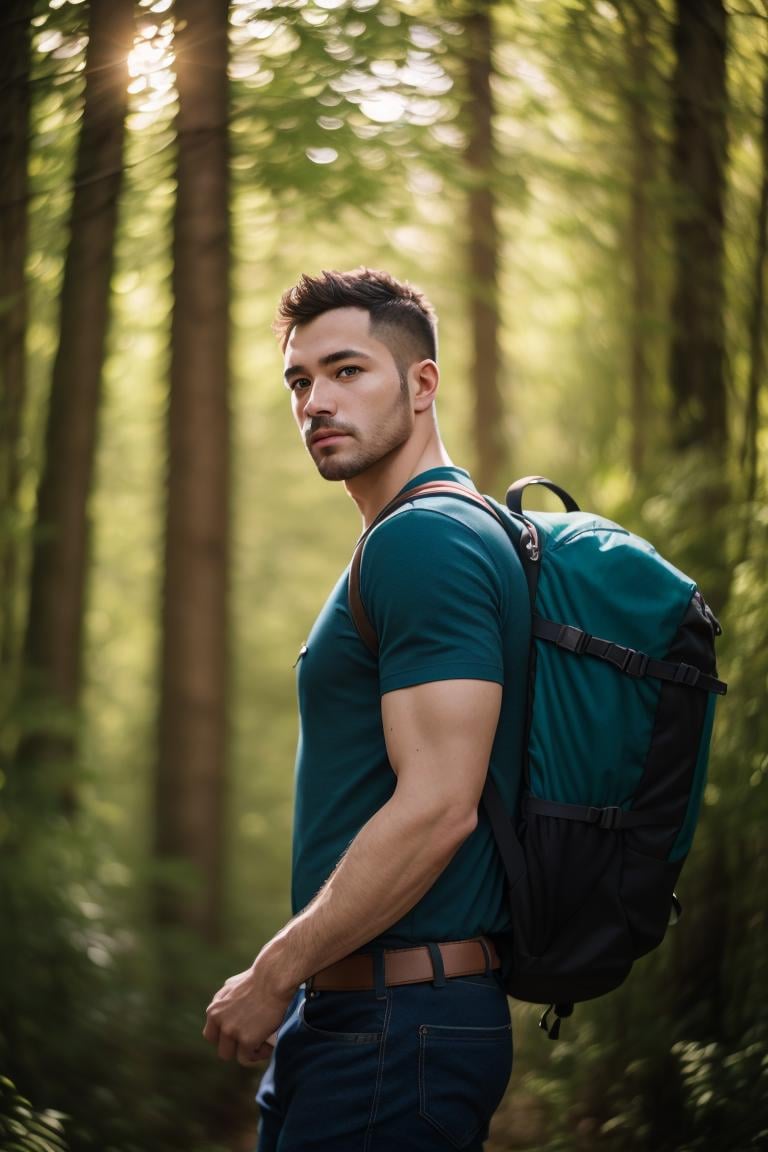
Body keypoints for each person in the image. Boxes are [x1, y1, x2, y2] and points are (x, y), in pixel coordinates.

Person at [203, 268, 531, 1151]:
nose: (315, 401)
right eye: (300, 381)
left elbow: (438, 807)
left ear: (422, 385)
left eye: (348, 371)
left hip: (398, 1027)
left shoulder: (426, 541)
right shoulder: (420, 535)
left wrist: (274, 972)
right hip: (366, 1013)